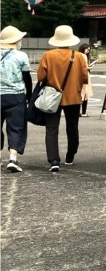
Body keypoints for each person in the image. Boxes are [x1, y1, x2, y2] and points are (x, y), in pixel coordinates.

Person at [37, 24, 90, 171]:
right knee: (72, 127)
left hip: (52, 97)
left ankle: (54, 160)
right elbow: (85, 78)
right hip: (73, 97)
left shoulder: (48, 56)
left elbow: (41, 77)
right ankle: (70, 155)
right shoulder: (79, 57)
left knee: (51, 128)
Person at [1, 26, 32, 173]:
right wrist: (29, 96)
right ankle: (13, 158)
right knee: (16, 127)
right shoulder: (21, 56)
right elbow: (27, 78)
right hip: (16, 95)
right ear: (16, 40)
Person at [78, 43, 95, 116]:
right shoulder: (84, 56)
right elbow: (85, 67)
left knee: (81, 93)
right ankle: (83, 112)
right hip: (85, 76)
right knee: (85, 94)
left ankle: (78, 112)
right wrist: (91, 67)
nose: (88, 51)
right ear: (83, 48)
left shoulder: (77, 55)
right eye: (87, 49)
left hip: (78, 76)